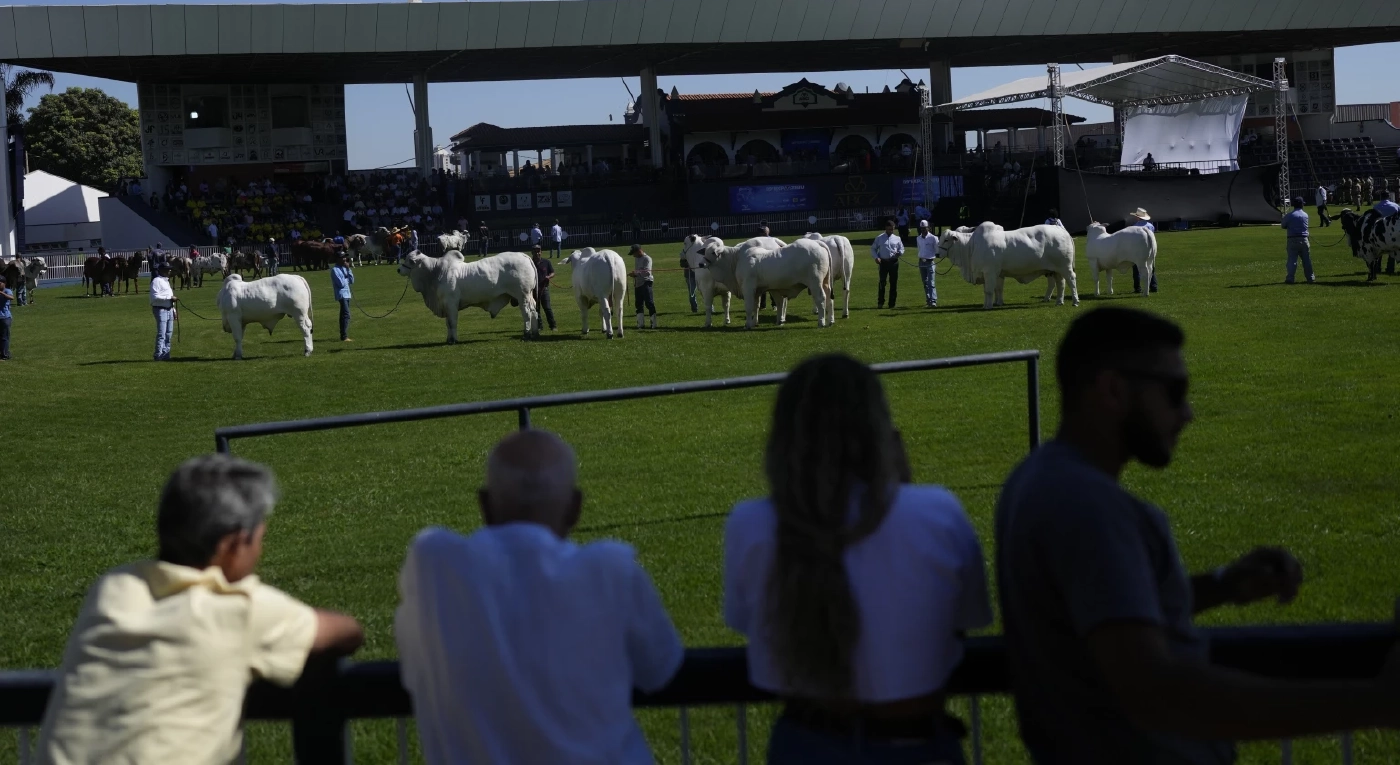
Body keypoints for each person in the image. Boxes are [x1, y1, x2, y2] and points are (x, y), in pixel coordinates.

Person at [996, 307, 1400, 764]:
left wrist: (1222, 585)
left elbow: (1102, 615)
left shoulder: (1035, 479)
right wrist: (1380, 702)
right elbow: (1160, 692)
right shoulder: (1093, 510)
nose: (1187, 413)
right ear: (1112, 389)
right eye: (1175, 392)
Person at [725, 354, 991, 764]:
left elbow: (750, 627)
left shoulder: (750, 524)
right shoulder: (938, 514)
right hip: (915, 744)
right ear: (879, 427)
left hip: (805, 743)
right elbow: (960, 624)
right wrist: (901, 483)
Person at [37, 455, 364, 764]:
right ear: (233, 545)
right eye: (259, 537)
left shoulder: (112, 589)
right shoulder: (241, 611)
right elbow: (346, 632)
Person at [395, 430, 683, 765]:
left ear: (485, 505)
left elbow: (411, 664)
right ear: (575, 508)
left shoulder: (433, 566)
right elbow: (659, 669)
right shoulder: (611, 569)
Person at [1281, 195, 1316, 284]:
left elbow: (1283, 225)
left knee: (1292, 260)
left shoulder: (1289, 215)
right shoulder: (1305, 215)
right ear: (1302, 205)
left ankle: (1290, 278)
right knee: (1306, 260)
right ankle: (1310, 277)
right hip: (1304, 238)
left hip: (1292, 239)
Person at [870, 219, 904, 309]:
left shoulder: (897, 238)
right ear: (885, 228)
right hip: (883, 262)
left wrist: (899, 253)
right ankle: (880, 302)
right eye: (889, 229)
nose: (890, 231)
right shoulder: (879, 238)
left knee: (893, 283)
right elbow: (873, 249)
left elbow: (902, 249)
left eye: (892, 229)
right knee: (882, 282)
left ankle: (892, 303)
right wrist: (876, 257)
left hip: (893, 262)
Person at [150, 262, 177, 361]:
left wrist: (173, 309)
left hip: (169, 309)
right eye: (167, 269)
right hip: (160, 309)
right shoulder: (156, 281)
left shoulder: (166, 281)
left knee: (169, 333)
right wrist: (169, 298)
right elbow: (154, 297)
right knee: (162, 333)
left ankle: (166, 354)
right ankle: (158, 354)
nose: (169, 270)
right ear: (161, 271)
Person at [1128, 208, 1158, 293]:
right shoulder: (1150, 226)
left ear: (1138, 217)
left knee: (1136, 269)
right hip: (1150, 248)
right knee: (1151, 267)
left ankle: (1137, 288)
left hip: (1138, 249)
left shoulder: (1135, 227)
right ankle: (1154, 286)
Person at [629, 244, 656, 330]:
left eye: (634, 253)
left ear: (639, 251)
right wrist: (634, 275)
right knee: (638, 304)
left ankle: (653, 323)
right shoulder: (637, 258)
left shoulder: (647, 259)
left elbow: (647, 273)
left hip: (646, 282)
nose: (633, 255)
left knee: (649, 303)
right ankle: (640, 324)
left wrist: (636, 274)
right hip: (638, 283)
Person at [531, 244, 557, 331]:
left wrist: (549, 277)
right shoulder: (529, 263)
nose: (537, 253)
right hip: (533, 289)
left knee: (547, 308)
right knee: (536, 309)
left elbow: (552, 272)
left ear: (541, 252)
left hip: (544, 288)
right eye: (535, 251)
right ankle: (539, 326)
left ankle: (553, 326)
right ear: (532, 252)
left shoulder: (546, 262)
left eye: (538, 251)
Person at [1372, 190, 1399, 276]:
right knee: (1393, 249)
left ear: (1381, 197)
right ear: (1389, 197)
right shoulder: (1396, 206)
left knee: (1379, 249)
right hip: (1392, 231)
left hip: (1380, 231)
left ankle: (1377, 267)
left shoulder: (1376, 207)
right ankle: (1390, 268)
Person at [916, 219, 939, 308]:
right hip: (921, 261)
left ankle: (933, 301)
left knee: (931, 282)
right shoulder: (918, 238)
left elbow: (937, 250)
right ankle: (928, 300)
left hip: (930, 261)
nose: (923, 230)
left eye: (924, 228)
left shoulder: (933, 238)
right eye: (921, 228)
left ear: (928, 228)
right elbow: (919, 249)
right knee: (925, 282)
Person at [331, 252, 354, 343]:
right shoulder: (335, 270)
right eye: (342, 257)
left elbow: (352, 280)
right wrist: (346, 278)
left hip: (347, 294)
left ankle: (343, 334)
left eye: (345, 257)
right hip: (341, 294)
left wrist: (348, 270)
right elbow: (340, 284)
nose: (344, 259)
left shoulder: (345, 268)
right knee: (346, 314)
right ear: (337, 259)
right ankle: (344, 336)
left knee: (343, 315)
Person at [0, 276, 13, 360]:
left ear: (4, 283)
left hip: (5, 317)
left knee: (4, 337)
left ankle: (4, 354)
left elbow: (11, 298)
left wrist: (2, 293)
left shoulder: (7, 291)